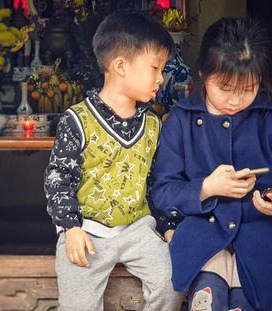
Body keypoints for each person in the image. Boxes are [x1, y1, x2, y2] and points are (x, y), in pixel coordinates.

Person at [152, 17, 272, 311]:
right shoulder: (180, 120)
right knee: (209, 294)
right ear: (203, 74)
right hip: (203, 236)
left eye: (248, 88)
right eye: (225, 87)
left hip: (265, 237)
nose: (235, 99)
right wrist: (206, 188)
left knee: (252, 293)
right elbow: (163, 191)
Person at [44, 10, 183, 311]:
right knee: (78, 305)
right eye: (155, 68)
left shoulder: (153, 125)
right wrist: (70, 228)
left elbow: (157, 182)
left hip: (139, 231)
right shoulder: (77, 120)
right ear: (121, 65)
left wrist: (169, 224)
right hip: (87, 232)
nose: (161, 78)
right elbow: (58, 178)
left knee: (172, 285)